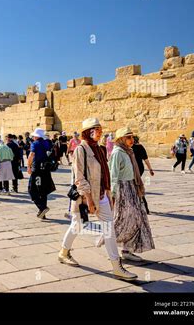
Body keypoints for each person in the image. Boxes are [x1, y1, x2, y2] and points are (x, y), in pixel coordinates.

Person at [59, 118, 137, 280]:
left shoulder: (100, 150)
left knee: (109, 230)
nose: (101, 132)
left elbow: (105, 175)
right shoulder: (81, 149)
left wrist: (109, 194)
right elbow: (79, 177)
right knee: (78, 225)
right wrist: (89, 200)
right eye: (97, 129)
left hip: (102, 195)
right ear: (89, 131)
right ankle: (64, 252)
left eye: (101, 129)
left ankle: (116, 266)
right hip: (85, 198)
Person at [110, 127, 155, 261]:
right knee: (124, 219)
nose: (132, 140)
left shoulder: (129, 152)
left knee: (136, 218)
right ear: (121, 139)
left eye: (132, 137)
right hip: (122, 189)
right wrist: (113, 195)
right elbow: (113, 174)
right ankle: (109, 241)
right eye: (128, 137)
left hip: (132, 187)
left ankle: (126, 249)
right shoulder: (117, 153)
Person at [27, 128, 56, 219]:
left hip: (37, 170)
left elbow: (32, 155)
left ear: (36, 136)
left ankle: (42, 207)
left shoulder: (35, 144)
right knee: (43, 191)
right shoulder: (47, 143)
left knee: (32, 190)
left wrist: (28, 166)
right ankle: (42, 214)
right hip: (46, 170)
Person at [132, 135, 154, 214]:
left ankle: (143, 206)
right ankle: (144, 206)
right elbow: (146, 159)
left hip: (133, 169)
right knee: (137, 185)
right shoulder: (141, 147)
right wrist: (150, 169)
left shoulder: (130, 148)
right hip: (140, 168)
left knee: (136, 186)